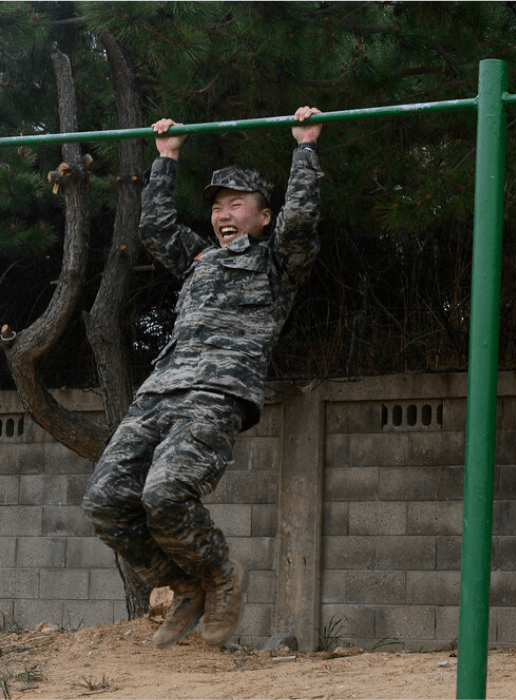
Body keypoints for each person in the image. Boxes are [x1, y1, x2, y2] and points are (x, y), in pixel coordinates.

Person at [82, 106, 325, 647]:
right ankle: (183, 585)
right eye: (217, 206)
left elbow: (302, 219)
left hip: (217, 392)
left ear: (264, 217)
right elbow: (155, 227)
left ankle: (221, 576)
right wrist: (166, 159)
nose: (224, 214)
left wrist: (304, 148)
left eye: (238, 204)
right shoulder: (197, 259)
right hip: (161, 389)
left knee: (165, 492)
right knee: (105, 498)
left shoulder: (278, 264)